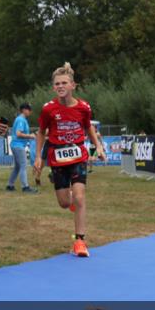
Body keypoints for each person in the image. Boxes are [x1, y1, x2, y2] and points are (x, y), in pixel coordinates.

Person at [33, 62, 105, 258]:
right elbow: (41, 132)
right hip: (57, 158)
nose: (61, 86)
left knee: (80, 197)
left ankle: (80, 241)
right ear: (53, 87)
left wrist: (97, 146)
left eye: (64, 83)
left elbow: (88, 126)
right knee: (65, 203)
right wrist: (38, 156)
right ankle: (70, 198)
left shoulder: (83, 107)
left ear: (73, 85)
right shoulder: (48, 109)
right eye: (57, 84)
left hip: (78, 156)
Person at [7, 103, 37, 193]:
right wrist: (30, 136)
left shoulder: (21, 119)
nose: (30, 111)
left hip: (16, 145)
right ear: (24, 110)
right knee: (23, 165)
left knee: (17, 167)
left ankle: (10, 185)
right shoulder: (21, 120)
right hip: (18, 145)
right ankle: (25, 187)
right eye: (29, 109)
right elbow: (18, 134)